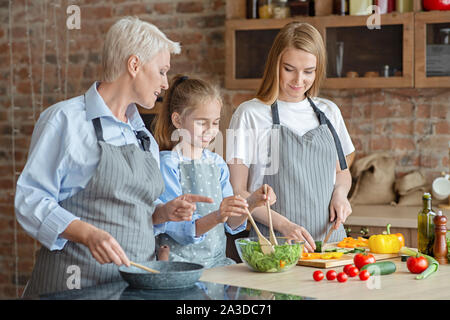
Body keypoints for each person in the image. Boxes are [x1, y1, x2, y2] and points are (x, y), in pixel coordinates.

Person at [14, 17, 213, 297]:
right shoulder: (66, 120)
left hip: (130, 290)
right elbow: (30, 200)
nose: (166, 84)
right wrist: (86, 233)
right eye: (161, 71)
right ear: (134, 66)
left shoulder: (141, 135)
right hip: (72, 287)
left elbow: (132, 210)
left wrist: (163, 212)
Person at [227, 22, 355, 253]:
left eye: (308, 71)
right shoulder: (249, 114)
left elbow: (342, 173)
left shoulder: (329, 112)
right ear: (275, 64)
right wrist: (285, 226)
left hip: (331, 246)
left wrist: (340, 195)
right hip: (275, 247)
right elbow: (237, 193)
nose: (299, 80)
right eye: (289, 69)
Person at [153, 75, 276, 268]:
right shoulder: (168, 164)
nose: (211, 130)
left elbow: (232, 223)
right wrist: (217, 215)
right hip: (180, 266)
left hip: (217, 265)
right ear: (177, 120)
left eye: (216, 122)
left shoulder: (217, 163)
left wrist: (251, 202)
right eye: (202, 123)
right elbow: (180, 229)